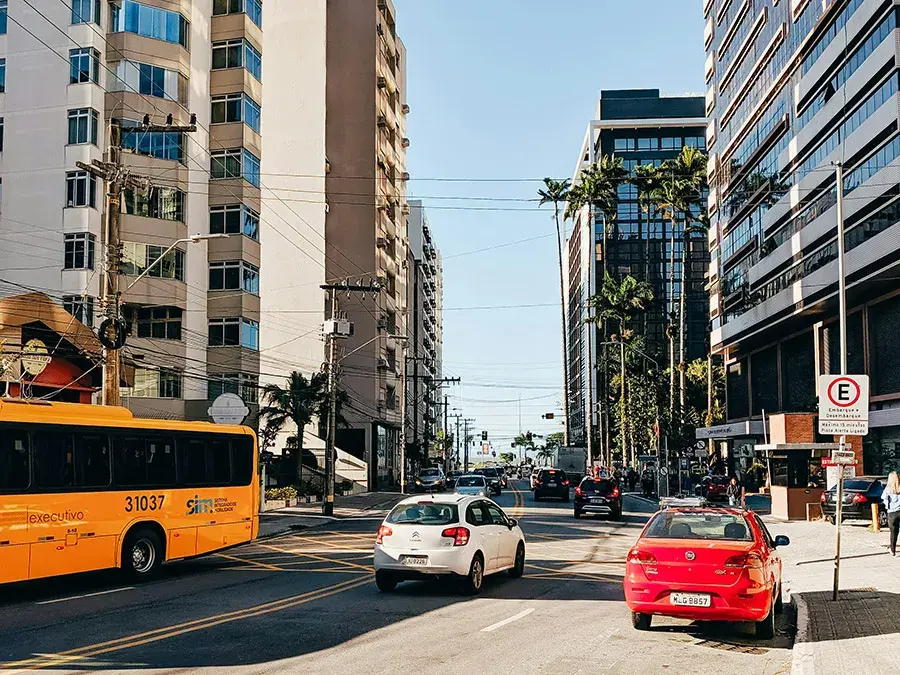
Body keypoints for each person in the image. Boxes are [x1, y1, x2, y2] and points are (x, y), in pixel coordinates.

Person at [883, 472, 900, 556]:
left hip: (892, 512)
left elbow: (884, 498)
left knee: (894, 532)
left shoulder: (887, 489)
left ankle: (892, 550)